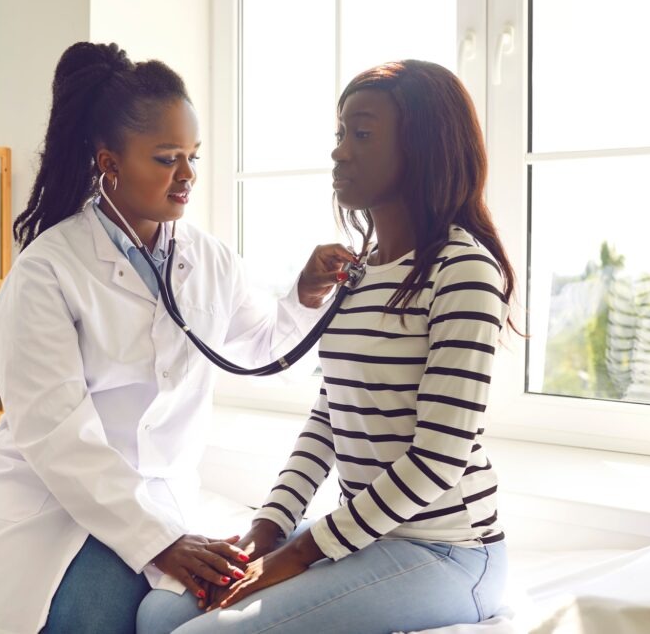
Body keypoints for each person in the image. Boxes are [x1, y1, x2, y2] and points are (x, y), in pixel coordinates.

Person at [0, 41, 357, 634]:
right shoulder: (46, 271)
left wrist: (306, 295)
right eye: (166, 158)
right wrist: (161, 542)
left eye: (192, 155)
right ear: (109, 163)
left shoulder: (208, 259)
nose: (186, 174)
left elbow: (263, 348)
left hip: (160, 503)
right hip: (52, 505)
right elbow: (57, 434)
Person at [137, 60, 519, 634]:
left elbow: (438, 458)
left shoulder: (463, 270)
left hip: (447, 551)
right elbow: (330, 417)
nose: (340, 152)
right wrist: (264, 533)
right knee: (160, 610)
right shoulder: (361, 272)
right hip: (367, 533)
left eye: (361, 134)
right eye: (340, 134)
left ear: (422, 149)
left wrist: (291, 558)